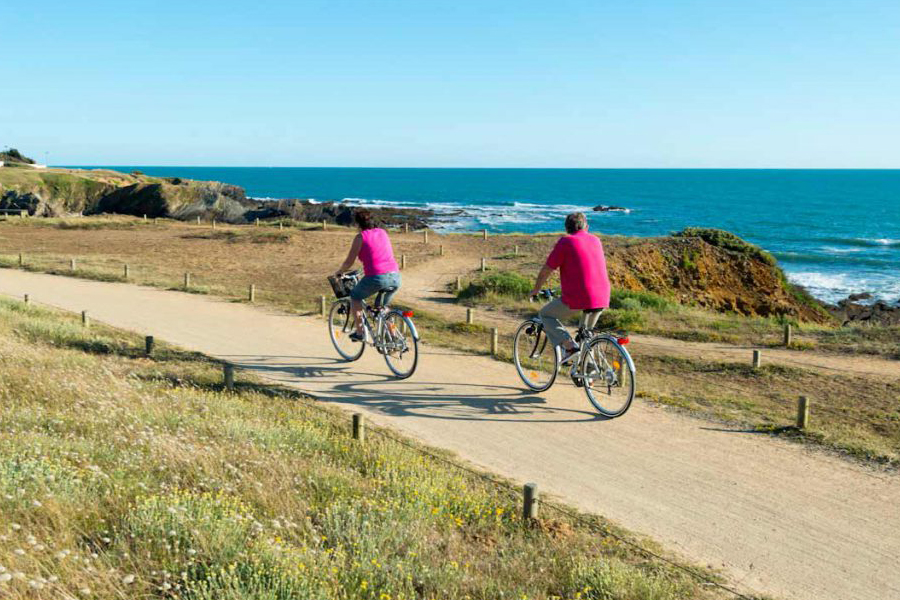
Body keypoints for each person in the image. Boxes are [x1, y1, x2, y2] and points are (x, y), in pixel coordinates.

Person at [529, 212, 611, 363]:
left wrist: (536, 289)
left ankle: (569, 347)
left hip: (580, 297)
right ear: (586, 227)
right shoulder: (596, 240)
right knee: (586, 336)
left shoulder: (566, 242)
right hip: (603, 296)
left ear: (566, 228)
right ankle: (589, 369)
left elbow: (547, 270)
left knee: (545, 315)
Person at [334, 209, 401, 342]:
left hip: (377, 277)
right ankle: (394, 337)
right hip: (395, 276)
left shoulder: (360, 237)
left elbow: (349, 262)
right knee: (383, 309)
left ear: (357, 224)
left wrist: (339, 272)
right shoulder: (382, 232)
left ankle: (360, 332)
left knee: (355, 297)